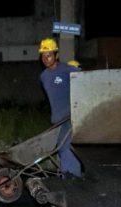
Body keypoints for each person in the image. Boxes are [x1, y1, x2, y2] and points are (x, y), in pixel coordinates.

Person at [38, 38, 83, 178]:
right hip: (57, 119)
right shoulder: (43, 76)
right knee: (61, 148)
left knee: (67, 147)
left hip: (70, 116)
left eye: (49, 55)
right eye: (43, 56)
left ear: (56, 55)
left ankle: (73, 176)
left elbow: (83, 78)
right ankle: (68, 175)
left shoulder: (66, 69)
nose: (46, 58)